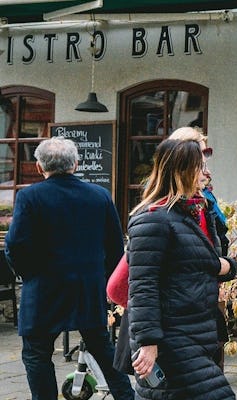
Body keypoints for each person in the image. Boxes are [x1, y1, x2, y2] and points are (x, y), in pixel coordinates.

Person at [5, 137, 135, 400]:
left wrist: (29, 275)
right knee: (103, 349)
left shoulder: (30, 196)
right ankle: (127, 397)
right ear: (76, 164)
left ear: (40, 167)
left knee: (37, 354)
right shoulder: (99, 195)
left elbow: (16, 245)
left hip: (43, 290)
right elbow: (114, 247)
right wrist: (107, 283)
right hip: (87, 288)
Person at [127, 139, 237, 399]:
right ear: (182, 171)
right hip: (171, 339)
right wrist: (149, 343)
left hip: (197, 333)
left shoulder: (190, 214)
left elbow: (199, 261)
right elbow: (142, 286)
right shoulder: (153, 219)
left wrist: (228, 267)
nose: (205, 173)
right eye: (200, 167)